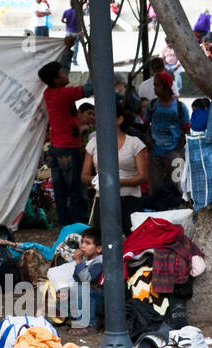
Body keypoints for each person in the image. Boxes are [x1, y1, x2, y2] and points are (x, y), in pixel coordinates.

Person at [38, 52, 89, 230]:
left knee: (60, 191)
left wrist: (67, 52)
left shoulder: (49, 93)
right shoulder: (65, 94)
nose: (66, 74)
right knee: (76, 189)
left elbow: (62, 70)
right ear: (56, 79)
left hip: (56, 149)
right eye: (63, 73)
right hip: (69, 149)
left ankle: (64, 224)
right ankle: (79, 225)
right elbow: (89, 88)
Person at [81, 104, 147, 232]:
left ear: (119, 120)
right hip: (103, 197)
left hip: (130, 198)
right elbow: (84, 176)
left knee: (134, 240)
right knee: (103, 240)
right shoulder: (93, 143)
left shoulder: (134, 143)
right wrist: (97, 180)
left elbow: (143, 176)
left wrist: (118, 182)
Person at [144, 72, 188, 197]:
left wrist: (177, 150)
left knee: (179, 185)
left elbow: (186, 131)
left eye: (157, 85)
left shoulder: (180, 107)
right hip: (155, 153)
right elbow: (146, 125)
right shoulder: (152, 105)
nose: (155, 89)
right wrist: (148, 139)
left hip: (174, 153)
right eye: (154, 85)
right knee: (155, 187)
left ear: (166, 87)